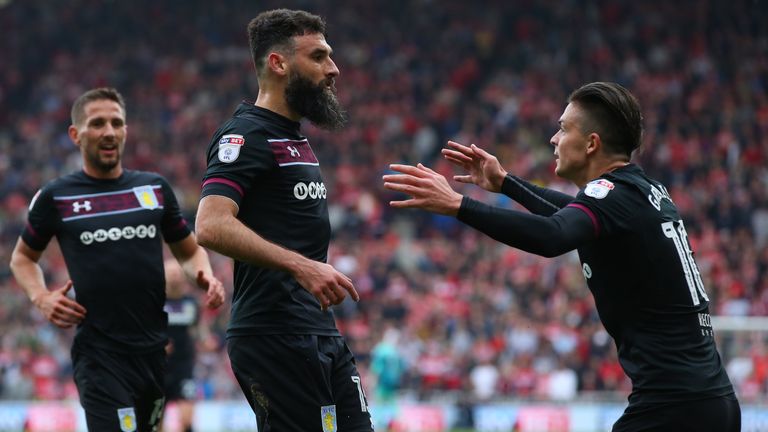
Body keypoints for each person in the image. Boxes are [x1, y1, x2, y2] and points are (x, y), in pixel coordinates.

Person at [383, 81, 741, 431]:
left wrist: (458, 205)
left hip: (674, 407)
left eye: (563, 129)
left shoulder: (612, 196)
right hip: (708, 400)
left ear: (591, 144)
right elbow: (573, 213)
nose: (554, 139)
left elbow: (554, 235)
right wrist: (506, 183)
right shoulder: (644, 191)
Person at [194, 9, 372, 432]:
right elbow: (211, 224)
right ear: (278, 63)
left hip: (316, 329)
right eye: (319, 56)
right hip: (274, 334)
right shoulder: (246, 135)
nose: (334, 68)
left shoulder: (292, 135)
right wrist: (301, 265)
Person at [9, 87, 225, 432]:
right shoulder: (57, 196)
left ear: (125, 130)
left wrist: (203, 275)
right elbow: (22, 259)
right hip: (100, 356)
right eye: (97, 123)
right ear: (75, 135)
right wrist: (42, 297)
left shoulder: (154, 189)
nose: (109, 131)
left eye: (116, 122)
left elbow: (189, 250)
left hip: (155, 353)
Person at [163, 259, 202, 432]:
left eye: (177, 273)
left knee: (186, 420)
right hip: (159, 368)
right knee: (155, 422)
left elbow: (198, 330)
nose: (174, 278)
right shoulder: (155, 303)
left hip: (184, 367)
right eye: (171, 274)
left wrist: (205, 341)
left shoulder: (191, 303)